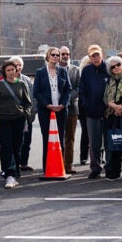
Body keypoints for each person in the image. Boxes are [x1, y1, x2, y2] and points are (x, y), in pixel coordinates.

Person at [0, 57, 33, 189]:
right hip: (3, 120)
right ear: (4, 72)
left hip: (18, 119)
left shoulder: (21, 84)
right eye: (8, 70)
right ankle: (9, 173)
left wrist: (26, 114)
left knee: (17, 146)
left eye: (12, 69)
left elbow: (28, 102)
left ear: (16, 70)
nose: (10, 72)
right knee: (6, 146)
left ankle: (16, 170)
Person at [33, 47, 75, 175]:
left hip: (61, 110)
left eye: (58, 55)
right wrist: (47, 105)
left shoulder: (62, 71)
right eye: (53, 55)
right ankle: (47, 168)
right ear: (48, 56)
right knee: (47, 138)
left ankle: (60, 167)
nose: (56, 57)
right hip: (46, 111)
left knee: (60, 138)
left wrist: (63, 104)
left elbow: (68, 89)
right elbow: (36, 92)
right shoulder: (40, 72)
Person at [78, 45, 111, 178]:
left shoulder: (108, 68)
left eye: (97, 55)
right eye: (93, 56)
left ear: (102, 55)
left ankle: (110, 166)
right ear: (89, 57)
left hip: (108, 112)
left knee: (108, 142)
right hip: (92, 112)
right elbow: (82, 90)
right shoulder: (87, 70)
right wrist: (86, 105)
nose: (96, 58)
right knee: (94, 143)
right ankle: (95, 167)